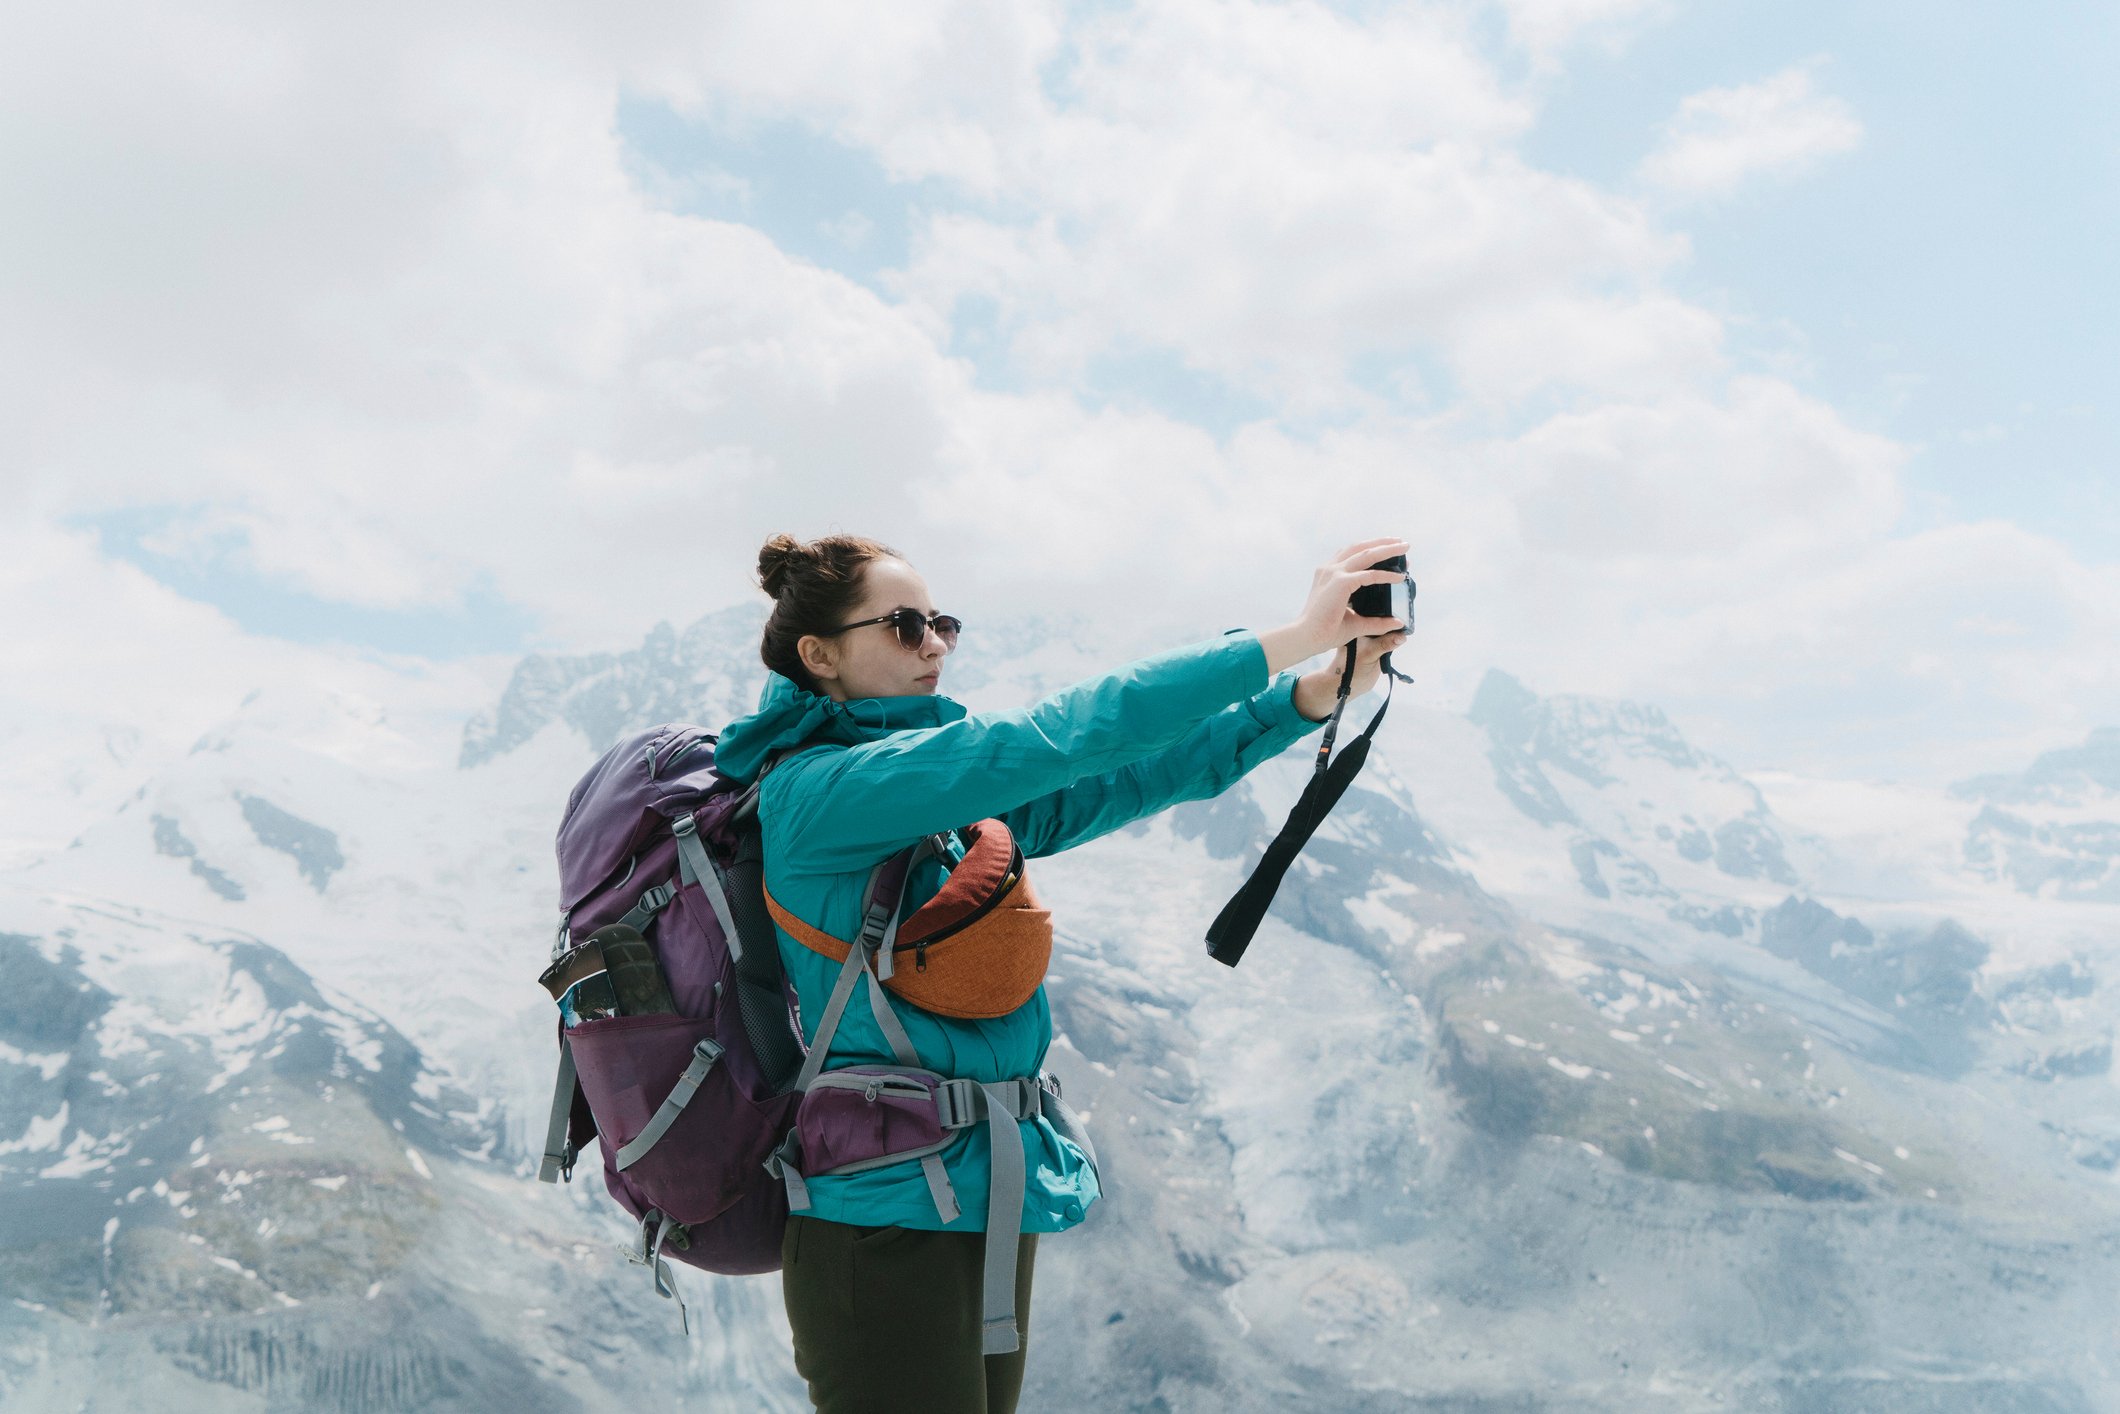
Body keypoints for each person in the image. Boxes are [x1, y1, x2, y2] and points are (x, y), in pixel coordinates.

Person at [712, 532, 1411, 1414]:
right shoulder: (825, 794)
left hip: (978, 1195)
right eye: (902, 625)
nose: (933, 643)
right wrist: (1291, 638)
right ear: (820, 655)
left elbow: (1120, 781)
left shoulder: (931, 798)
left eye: (941, 623)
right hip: (881, 1224)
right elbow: (1064, 735)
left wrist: (1304, 699)